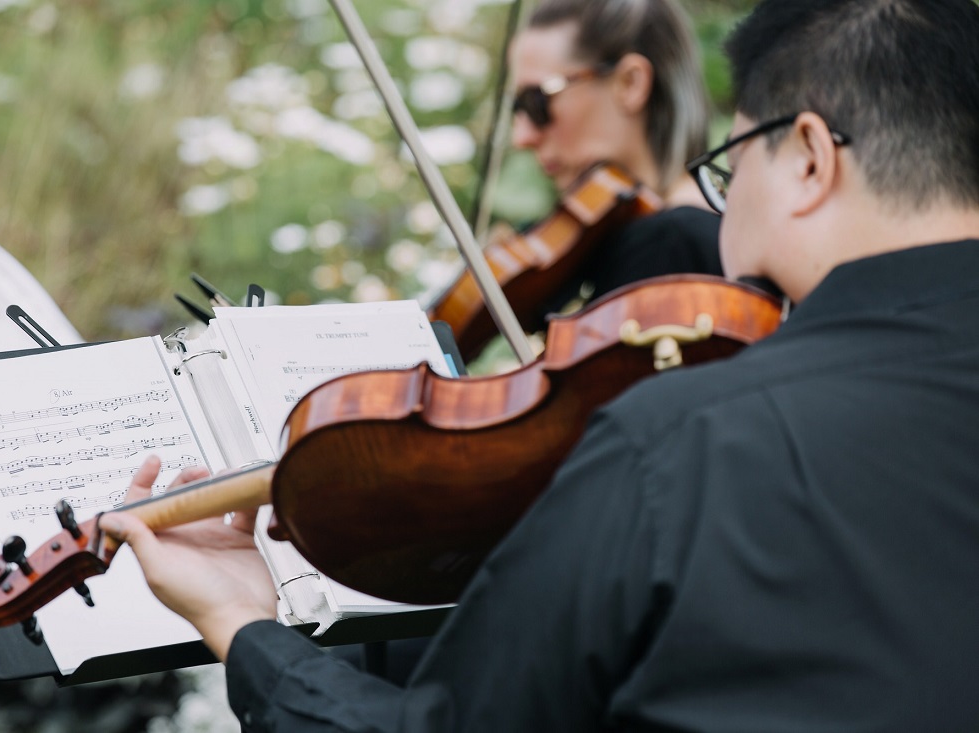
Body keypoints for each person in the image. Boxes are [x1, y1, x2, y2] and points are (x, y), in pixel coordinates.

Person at [102, 0, 979, 730]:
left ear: (812, 159)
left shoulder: (683, 443)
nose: (721, 204)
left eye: (730, 166)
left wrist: (241, 621)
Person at [507, 0, 723, 310]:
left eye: (537, 102)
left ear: (630, 83)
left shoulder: (670, 245)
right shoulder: (694, 233)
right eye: (518, 109)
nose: (522, 137)